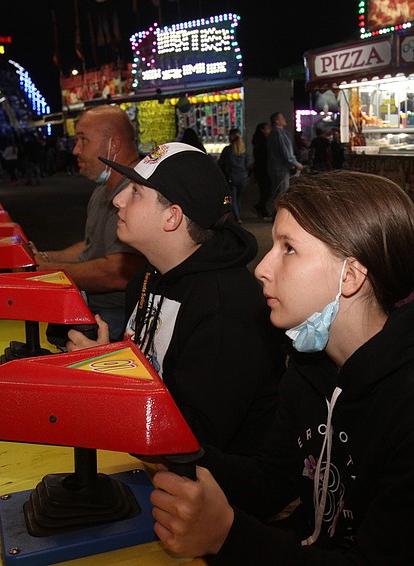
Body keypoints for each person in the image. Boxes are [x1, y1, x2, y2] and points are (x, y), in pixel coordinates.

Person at [148, 170, 414, 563]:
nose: (261, 268)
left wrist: (228, 536)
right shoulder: (312, 365)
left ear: (351, 275)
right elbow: (272, 479)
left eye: (288, 249)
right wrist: (172, 452)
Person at [67, 142, 284, 455]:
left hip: (212, 491)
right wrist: (108, 360)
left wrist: (109, 377)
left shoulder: (226, 310)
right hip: (147, 459)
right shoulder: (148, 276)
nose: (117, 200)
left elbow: (193, 437)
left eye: (137, 192)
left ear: (172, 217)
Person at [31, 105, 145, 341]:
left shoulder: (138, 192)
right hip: (95, 303)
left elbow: (117, 272)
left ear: (113, 145)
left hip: (119, 313)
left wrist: (47, 272)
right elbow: (90, 246)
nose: (75, 150)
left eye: (83, 140)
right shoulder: (103, 189)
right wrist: (46, 258)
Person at [266, 112, 303, 218]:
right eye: (282, 118)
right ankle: (279, 216)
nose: (284, 119)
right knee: (281, 193)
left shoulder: (275, 133)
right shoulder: (279, 133)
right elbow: (285, 152)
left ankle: (276, 214)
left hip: (276, 167)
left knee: (278, 191)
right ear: (277, 121)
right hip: (280, 168)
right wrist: (295, 163)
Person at [217, 128, 247, 223]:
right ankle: (238, 214)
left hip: (231, 177)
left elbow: (220, 163)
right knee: (238, 198)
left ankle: (236, 217)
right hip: (242, 177)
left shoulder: (227, 150)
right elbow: (247, 164)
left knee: (232, 199)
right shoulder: (243, 151)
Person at [251, 122, 271, 219]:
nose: (269, 130)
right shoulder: (264, 142)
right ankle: (261, 208)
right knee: (266, 190)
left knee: (264, 190)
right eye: (267, 128)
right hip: (263, 168)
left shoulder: (257, 141)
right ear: (263, 130)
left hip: (259, 168)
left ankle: (262, 209)